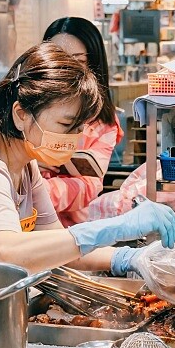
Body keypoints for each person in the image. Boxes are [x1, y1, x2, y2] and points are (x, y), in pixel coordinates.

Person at [0, 43, 175, 275]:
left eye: (79, 129)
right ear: (21, 114)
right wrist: (116, 227)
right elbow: (8, 253)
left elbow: (58, 246)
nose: (74, 139)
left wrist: (126, 258)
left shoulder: (25, 162)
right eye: (66, 125)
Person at [41, 17, 123, 226]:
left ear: (93, 65)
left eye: (77, 61)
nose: (65, 70)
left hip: (69, 234)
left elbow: (90, 185)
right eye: (58, 59)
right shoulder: (25, 105)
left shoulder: (102, 121)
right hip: (16, 227)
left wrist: (32, 189)